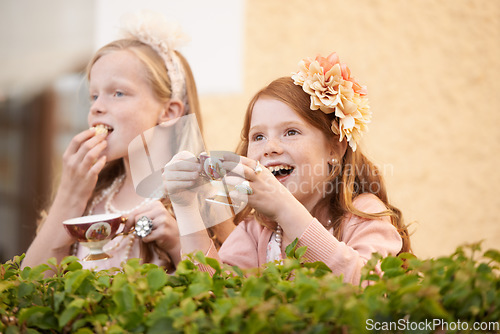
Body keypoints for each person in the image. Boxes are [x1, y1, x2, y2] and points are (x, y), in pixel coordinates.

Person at [163, 52, 411, 284]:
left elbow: (365, 285)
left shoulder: (363, 214)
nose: (270, 147)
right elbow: (215, 295)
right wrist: (186, 210)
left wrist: (285, 208)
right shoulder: (256, 231)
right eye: (258, 136)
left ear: (335, 148)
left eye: (291, 132)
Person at [22, 12, 232, 272]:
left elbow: (228, 295)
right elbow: (28, 291)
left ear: (169, 112)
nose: (97, 107)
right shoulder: (91, 197)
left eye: (117, 93)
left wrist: (178, 242)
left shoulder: (205, 194)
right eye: (94, 96)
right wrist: (69, 194)